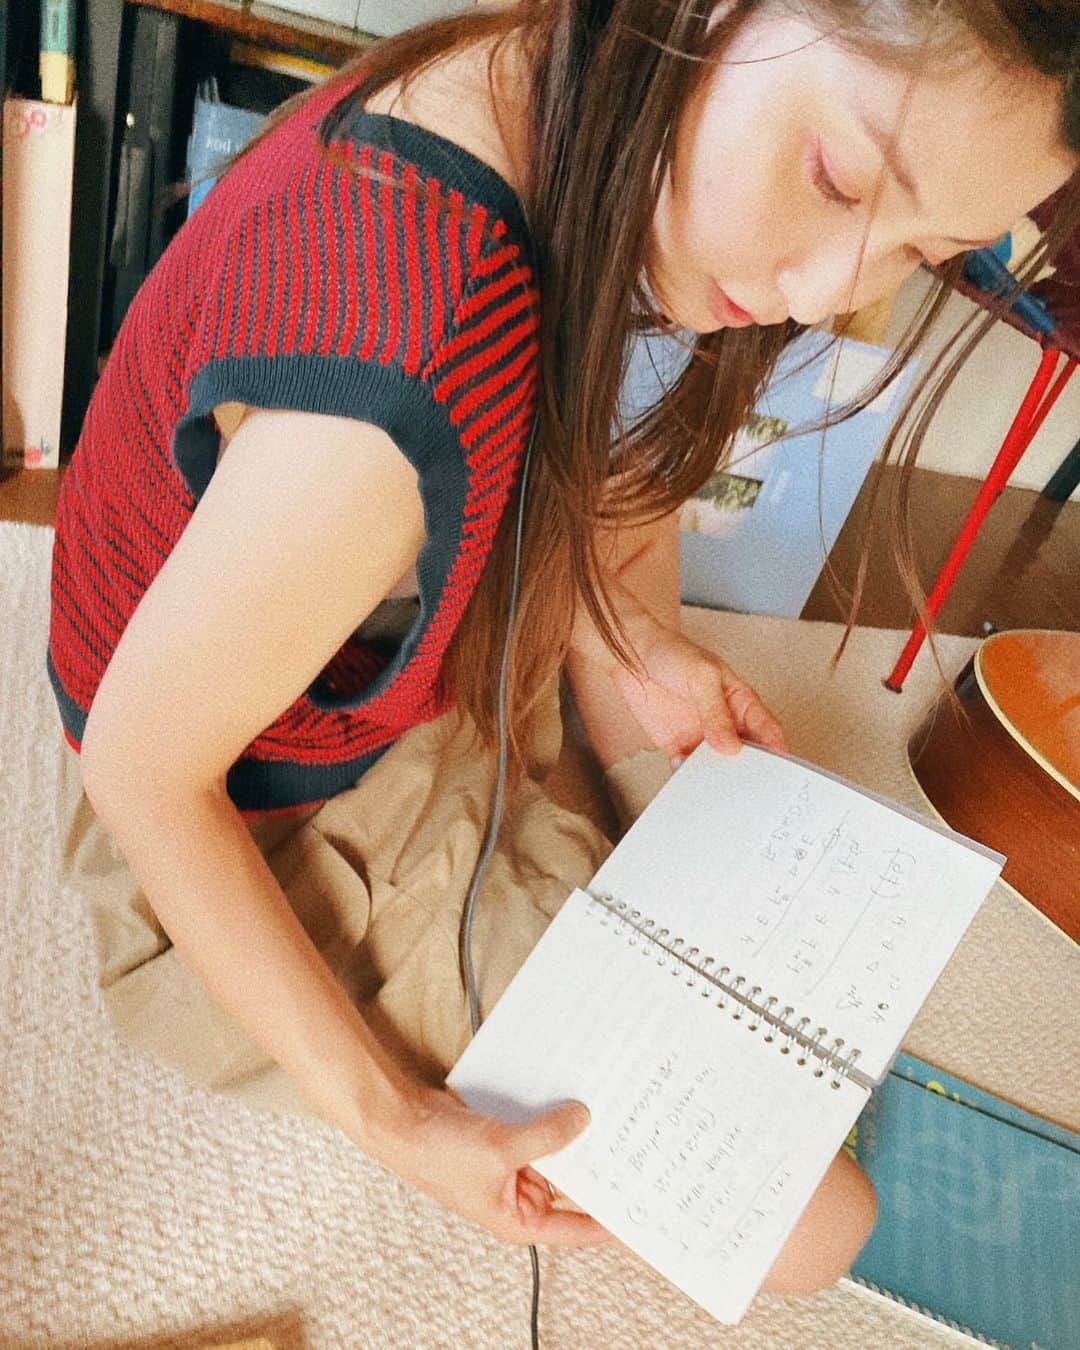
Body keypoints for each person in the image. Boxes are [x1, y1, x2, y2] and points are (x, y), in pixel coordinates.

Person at [49, 0, 1078, 1302]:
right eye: (840, 176)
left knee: (660, 633)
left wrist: (618, 636)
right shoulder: (407, 349)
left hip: (341, 650)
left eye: (923, 250)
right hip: (249, 816)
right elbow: (142, 774)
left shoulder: (534, 69)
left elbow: (547, 462)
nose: (833, 287)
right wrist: (396, 1121)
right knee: (817, 1228)